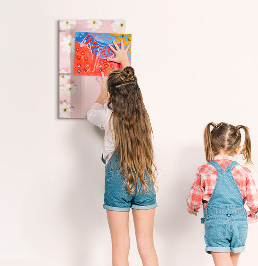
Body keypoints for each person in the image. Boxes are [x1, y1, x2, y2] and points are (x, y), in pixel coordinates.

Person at [87, 40, 159, 266]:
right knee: (146, 244)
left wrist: (102, 93)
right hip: (144, 178)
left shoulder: (108, 117)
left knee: (120, 245)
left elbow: (91, 113)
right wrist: (125, 62)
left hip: (118, 181)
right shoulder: (142, 115)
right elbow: (132, 87)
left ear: (113, 95)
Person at [187, 122, 258, 266]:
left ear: (211, 145)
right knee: (233, 262)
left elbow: (194, 198)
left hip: (216, 224)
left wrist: (193, 208)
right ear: (238, 149)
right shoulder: (243, 172)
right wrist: (255, 212)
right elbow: (254, 200)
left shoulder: (205, 170)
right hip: (239, 224)